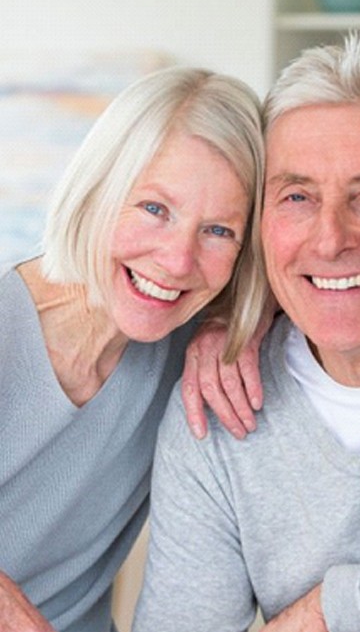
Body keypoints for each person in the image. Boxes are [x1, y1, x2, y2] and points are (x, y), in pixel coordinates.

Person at [132, 32, 360, 632]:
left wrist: (334, 608)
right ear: (261, 225)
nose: (330, 239)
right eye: (298, 196)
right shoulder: (218, 411)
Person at [0, 65, 265, 632]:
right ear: (98, 188)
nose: (177, 261)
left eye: (219, 231)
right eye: (154, 209)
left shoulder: (184, 350)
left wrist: (246, 318)